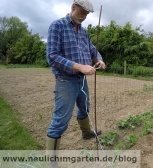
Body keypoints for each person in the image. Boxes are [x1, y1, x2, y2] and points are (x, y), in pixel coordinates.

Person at [46, 0, 106, 150]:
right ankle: (51, 162)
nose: (84, 16)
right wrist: (79, 67)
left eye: (87, 14)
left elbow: (93, 50)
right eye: (82, 12)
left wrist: (99, 59)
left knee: (84, 107)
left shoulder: (83, 32)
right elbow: (52, 56)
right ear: (73, 7)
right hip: (66, 80)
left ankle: (86, 133)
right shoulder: (57, 26)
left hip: (82, 80)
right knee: (60, 120)